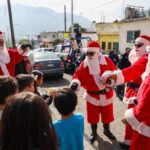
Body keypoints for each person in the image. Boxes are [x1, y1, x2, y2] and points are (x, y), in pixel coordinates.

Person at [102, 35, 150, 149]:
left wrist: (114, 76)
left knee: (137, 125)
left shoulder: (145, 58)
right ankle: (128, 141)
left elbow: (132, 71)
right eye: (135, 45)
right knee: (132, 125)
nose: (136, 47)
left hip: (141, 97)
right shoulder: (139, 57)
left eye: (139, 45)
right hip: (134, 93)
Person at [70, 41, 117, 143]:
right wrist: (75, 83)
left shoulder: (107, 61)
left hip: (106, 94)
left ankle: (107, 130)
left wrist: (110, 81)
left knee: (107, 115)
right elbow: (77, 75)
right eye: (87, 53)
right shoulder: (84, 64)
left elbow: (115, 72)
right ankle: (94, 132)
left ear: (97, 53)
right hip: (92, 96)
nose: (89, 56)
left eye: (91, 53)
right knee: (92, 116)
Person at [122, 45, 150, 150]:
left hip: (142, 115)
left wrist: (131, 117)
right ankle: (127, 141)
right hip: (134, 96)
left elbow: (146, 103)